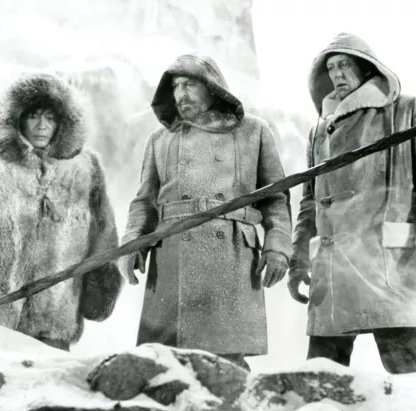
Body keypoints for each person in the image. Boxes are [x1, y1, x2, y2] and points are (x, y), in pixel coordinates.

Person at [288, 33, 416, 373]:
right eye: (331, 67)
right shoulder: (320, 129)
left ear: (366, 68)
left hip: (391, 266)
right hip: (332, 271)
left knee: (408, 381)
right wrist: (298, 257)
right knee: (320, 381)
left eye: (344, 64)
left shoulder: (408, 109)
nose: (336, 74)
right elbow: (309, 201)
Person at [117, 53, 292, 371]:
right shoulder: (159, 140)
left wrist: (278, 247)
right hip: (172, 259)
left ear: (212, 88)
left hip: (231, 256)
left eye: (190, 85)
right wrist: (131, 245)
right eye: (176, 86)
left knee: (227, 365)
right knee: (167, 366)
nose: (181, 94)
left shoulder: (254, 131)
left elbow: (276, 199)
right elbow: (144, 203)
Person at [0, 73, 123, 351]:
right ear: (18, 118)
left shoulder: (86, 168)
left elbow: (104, 232)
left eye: (50, 118)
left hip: (56, 312)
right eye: (34, 116)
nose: (42, 126)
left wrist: (102, 276)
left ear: (63, 122)